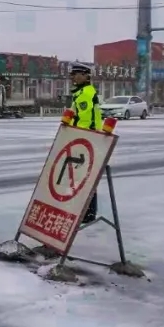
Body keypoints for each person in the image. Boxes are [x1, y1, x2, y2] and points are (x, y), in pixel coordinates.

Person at [68, 62, 104, 222]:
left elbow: (85, 120)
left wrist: (76, 135)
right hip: (85, 139)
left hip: (86, 139)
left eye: (78, 74)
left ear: (86, 76)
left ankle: (87, 213)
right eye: (73, 74)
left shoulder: (85, 93)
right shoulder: (81, 92)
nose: (74, 77)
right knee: (84, 175)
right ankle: (86, 211)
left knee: (85, 176)